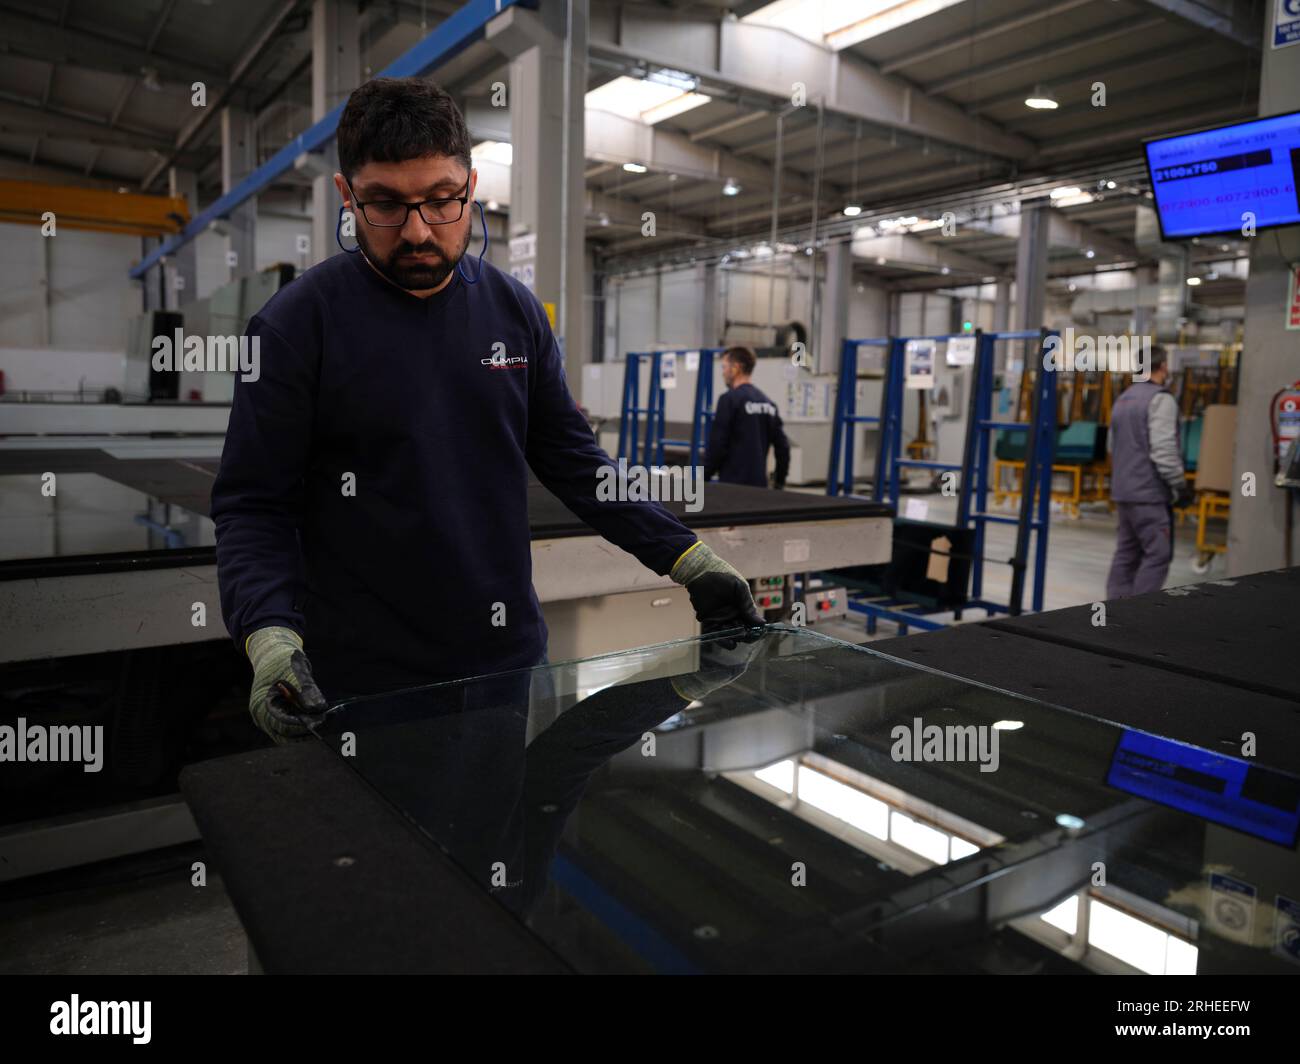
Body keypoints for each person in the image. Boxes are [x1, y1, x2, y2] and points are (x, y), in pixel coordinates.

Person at [210, 77, 763, 742]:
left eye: (442, 202)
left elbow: (576, 463)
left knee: (499, 837)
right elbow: (253, 503)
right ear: (346, 195)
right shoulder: (296, 326)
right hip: (355, 684)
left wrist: (686, 557)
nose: (417, 231)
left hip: (506, 661)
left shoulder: (515, 313)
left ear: (472, 187)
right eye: (385, 205)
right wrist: (270, 641)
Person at [1105, 345, 1193, 598]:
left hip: (1123, 491)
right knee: (1158, 553)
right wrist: (1180, 485)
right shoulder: (1160, 399)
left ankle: (1114, 613)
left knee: (1127, 552)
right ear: (1163, 366)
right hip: (1149, 493)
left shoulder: (1123, 398)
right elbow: (1163, 451)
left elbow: (1111, 445)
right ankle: (1137, 616)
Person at [704, 345, 791, 490]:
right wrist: (779, 481)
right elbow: (783, 447)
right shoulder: (768, 403)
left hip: (731, 487)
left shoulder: (729, 400)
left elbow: (717, 445)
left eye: (724, 367)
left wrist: (703, 477)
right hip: (759, 487)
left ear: (736, 368)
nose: (723, 372)